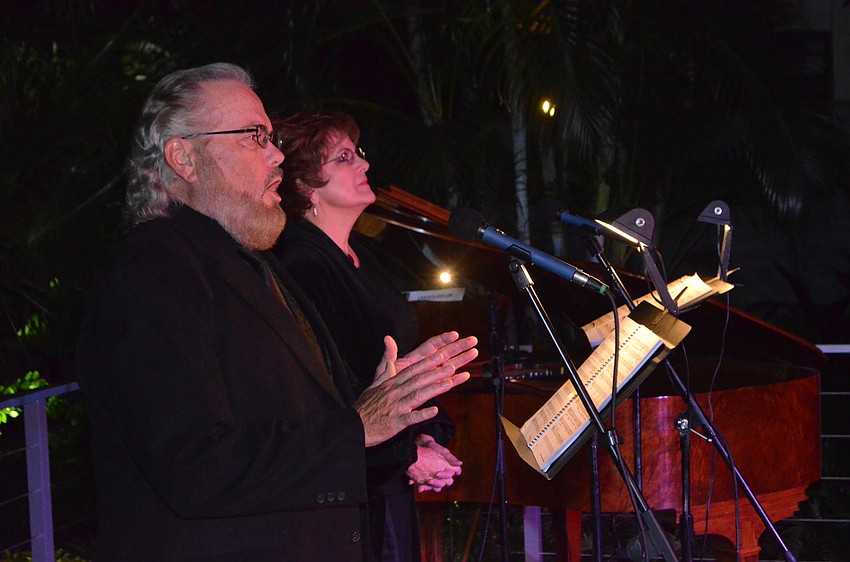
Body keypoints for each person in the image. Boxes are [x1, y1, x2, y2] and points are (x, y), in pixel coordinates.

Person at [74, 62, 477, 562]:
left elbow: (297, 425)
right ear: (183, 157)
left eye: (271, 137)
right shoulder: (147, 277)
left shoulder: (255, 263)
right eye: (254, 137)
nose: (279, 156)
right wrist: (361, 426)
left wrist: (387, 416)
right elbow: (198, 468)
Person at [272, 112, 463, 562]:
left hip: (387, 468)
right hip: (353, 488)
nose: (363, 165)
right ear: (304, 187)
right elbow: (329, 389)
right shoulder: (303, 264)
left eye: (358, 153)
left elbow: (393, 371)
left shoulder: (363, 256)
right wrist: (407, 456)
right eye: (344, 158)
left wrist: (424, 438)